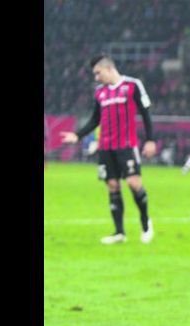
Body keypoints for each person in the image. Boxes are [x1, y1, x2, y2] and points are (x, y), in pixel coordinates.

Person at [60, 54, 156, 244]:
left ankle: (146, 224)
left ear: (109, 68)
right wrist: (77, 135)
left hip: (126, 145)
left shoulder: (132, 85)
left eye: (98, 73)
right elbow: (95, 119)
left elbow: (145, 113)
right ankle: (119, 232)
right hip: (106, 146)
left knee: (133, 183)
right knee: (112, 186)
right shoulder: (100, 93)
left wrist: (150, 140)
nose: (96, 77)